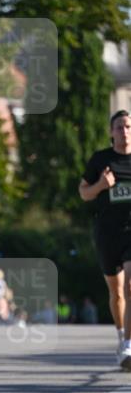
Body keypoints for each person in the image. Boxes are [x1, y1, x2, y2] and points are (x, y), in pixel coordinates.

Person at [79, 109, 131, 370]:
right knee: (117, 292)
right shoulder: (101, 159)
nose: (125, 131)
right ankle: (121, 334)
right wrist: (101, 184)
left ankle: (129, 345)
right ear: (111, 133)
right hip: (108, 232)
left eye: (128, 127)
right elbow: (84, 194)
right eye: (120, 127)